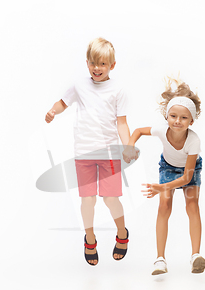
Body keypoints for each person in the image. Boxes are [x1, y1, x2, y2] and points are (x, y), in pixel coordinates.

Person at [45, 37, 130, 266]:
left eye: (102, 64)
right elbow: (63, 102)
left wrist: (128, 146)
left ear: (112, 65)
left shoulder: (118, 90)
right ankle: (90, 239)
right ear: (87, 63)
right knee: (88, 200)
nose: (96, 68)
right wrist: (53, 111)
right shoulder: (80, 85)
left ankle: (122, 233)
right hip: (84, 153)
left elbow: (121, 122)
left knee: (111, 198)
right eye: (93, 63)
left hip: (109, 154)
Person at [123, 77, 205, 275]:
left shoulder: (193, 141)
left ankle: (196, 256)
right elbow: (137, 131)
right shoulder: (162, 130)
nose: (177, 121)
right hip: (168, 168)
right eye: (173, 116)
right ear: (166, 116)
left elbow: (187, 178)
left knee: (192, 206)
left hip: (190, 171)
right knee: (164, 206)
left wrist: (161, 187)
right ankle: (160, 259)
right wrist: (130, 145)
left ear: (192, 121)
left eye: (184, 118)